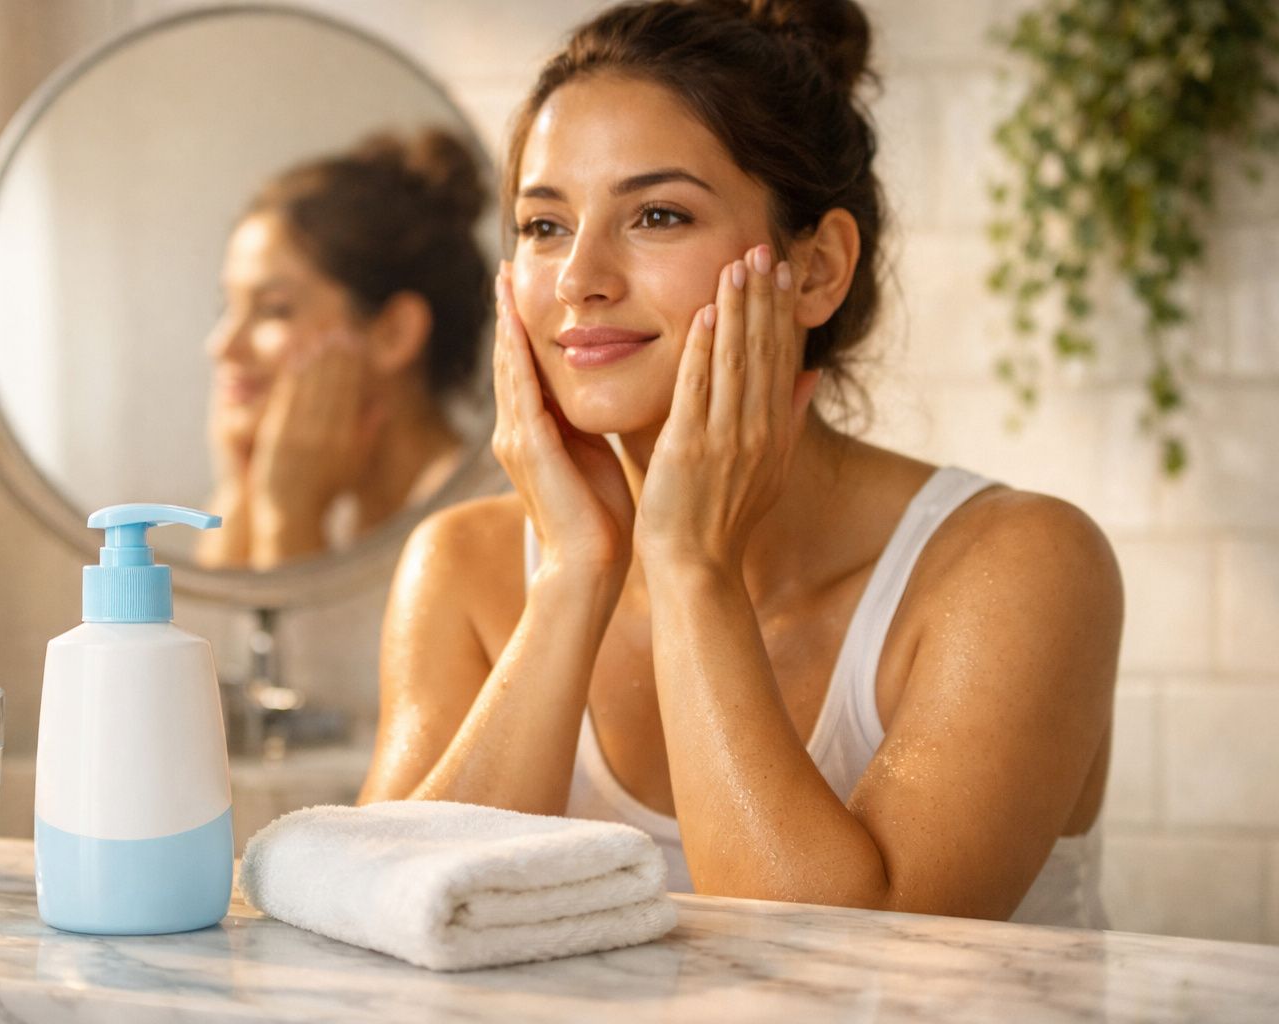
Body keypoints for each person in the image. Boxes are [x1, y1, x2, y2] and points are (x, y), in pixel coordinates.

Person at [358, 0, 1123, 928]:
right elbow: (385, 929)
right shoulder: (466, 570)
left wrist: (690, 565)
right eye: (544, 225)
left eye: (657, 215)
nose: (578, 280)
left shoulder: (1016, 567)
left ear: (817, 268)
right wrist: (571, 575)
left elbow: (851, 972)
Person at [197, 129, 490, 570]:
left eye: (273, 310)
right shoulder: (340, 508)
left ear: (394, 332)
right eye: (228, 307)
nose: (221, 346)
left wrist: (290, 516)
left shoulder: (477, 525)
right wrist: (242, 490)